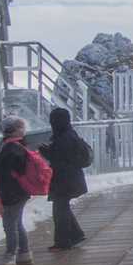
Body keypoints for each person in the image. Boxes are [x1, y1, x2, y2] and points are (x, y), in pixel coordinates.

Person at [41, 107, 91, 251]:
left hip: (64, 180)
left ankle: (63, 241)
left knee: (59, 210)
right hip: (71, 179)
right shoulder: (70, 134)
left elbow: (60, 159)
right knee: (62, 207)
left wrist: (45, 151)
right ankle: (76, 234)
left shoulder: (63, 138)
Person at [0, 117, 34, 265]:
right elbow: (9, 165)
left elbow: (3, 169)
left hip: (12, 193)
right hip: (19, 191)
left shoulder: (10, 147)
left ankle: (10, 256)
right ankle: (24, 253)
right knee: (17, 224)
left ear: (6, 131)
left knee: (9, 226)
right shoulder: (18, 144)